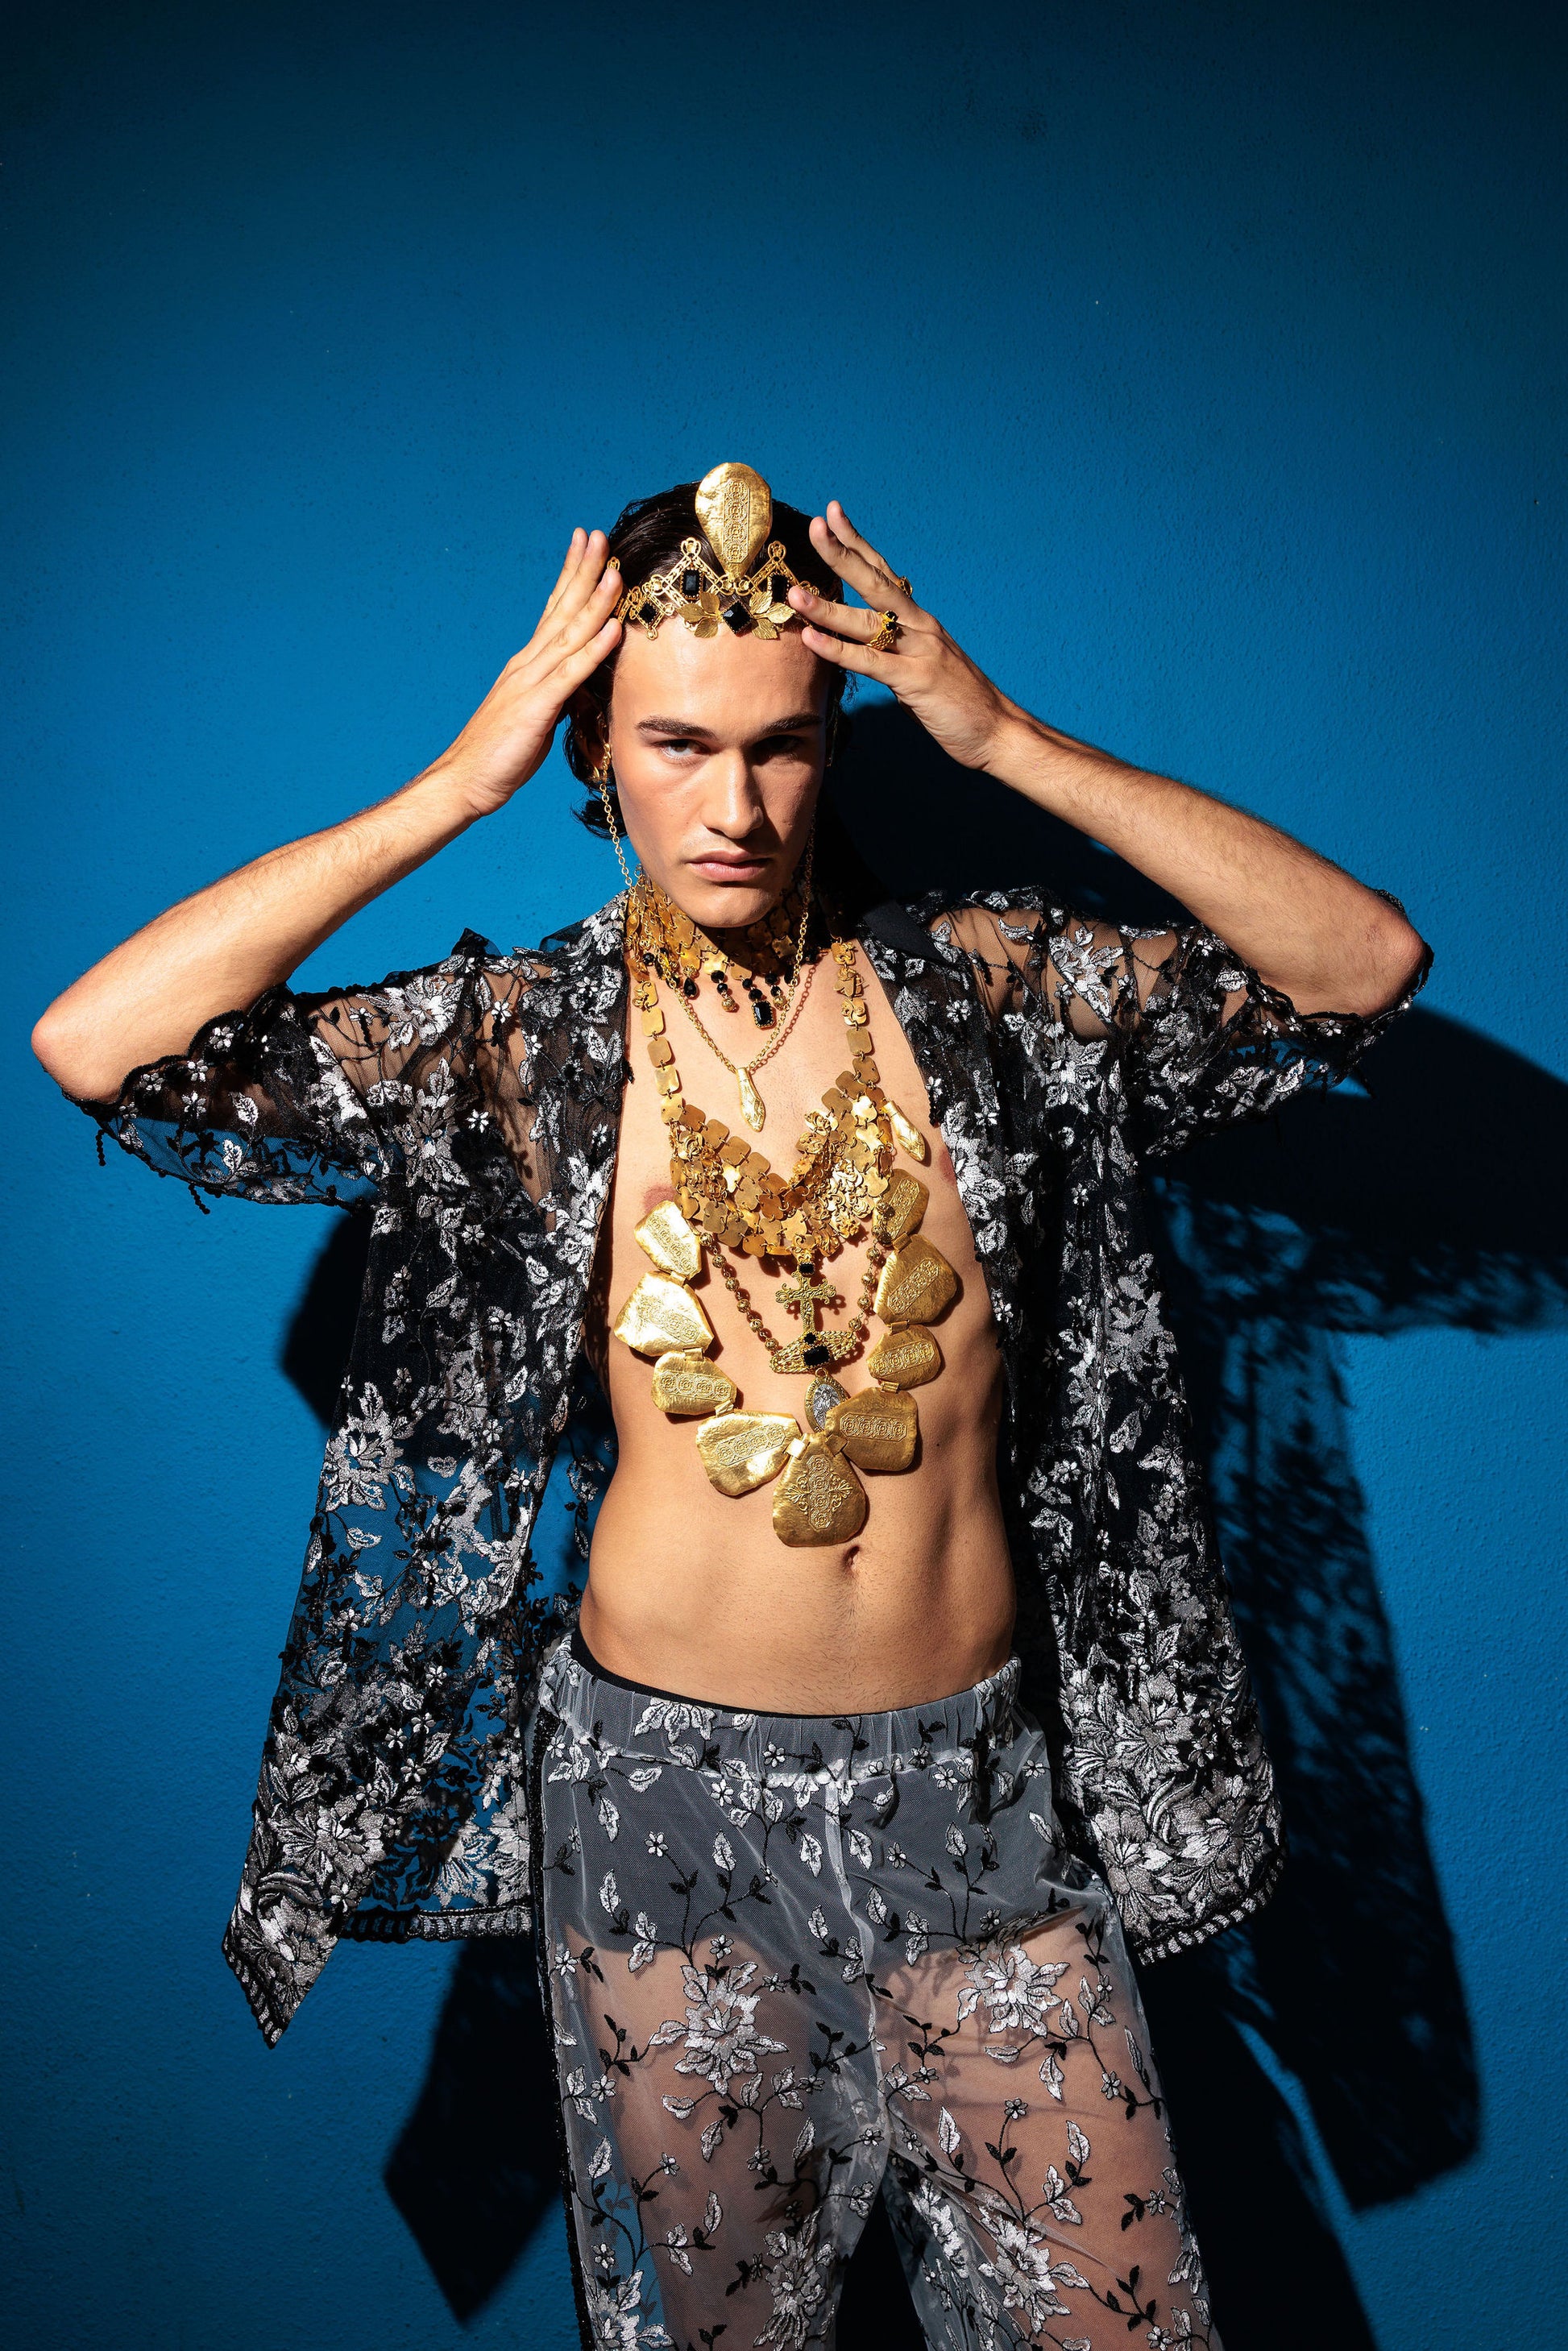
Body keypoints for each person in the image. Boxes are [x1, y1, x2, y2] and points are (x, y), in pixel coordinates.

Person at [33, 462, 1429, 2350]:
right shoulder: (524, 1045)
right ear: (594, 751)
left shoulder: (990, 999)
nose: (737, 804)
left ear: (833, 743)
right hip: (661, 1802)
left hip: (972, 1789)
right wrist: (452, 788)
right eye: (678, 743)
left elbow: (1361, 966)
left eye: (780, 744)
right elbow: (96, 1042)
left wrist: (1003, 738)